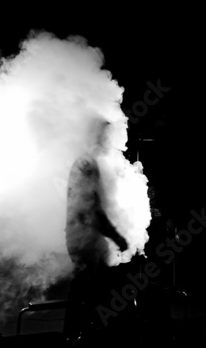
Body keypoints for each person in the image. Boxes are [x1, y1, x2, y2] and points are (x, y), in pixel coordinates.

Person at [63, 119, 128, 339]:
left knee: (86, 294)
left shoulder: (86, 162)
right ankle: (79, 337)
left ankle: (77, 336)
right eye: (104, 135)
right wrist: (118, 237)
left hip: (82, 239)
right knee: (90, 294)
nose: (107, 141)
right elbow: (92, 210)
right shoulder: (87, 164)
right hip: (85, 241)